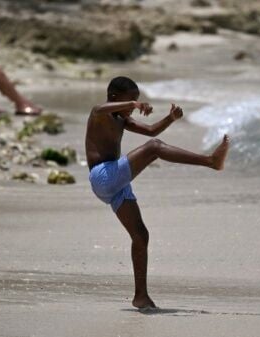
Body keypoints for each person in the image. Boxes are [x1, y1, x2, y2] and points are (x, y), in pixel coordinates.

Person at [85, 76, 229, 310]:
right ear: (114, 98)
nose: (135, 104)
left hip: (116, 183)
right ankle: (210, 161)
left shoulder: (122, 120)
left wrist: (170, 118)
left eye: (137, 99)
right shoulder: (99, 114)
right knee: (154, 149)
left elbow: (151, 130)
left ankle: (140, 296)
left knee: (141, 235)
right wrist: (133, 106)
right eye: (131, 99)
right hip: (103, 176)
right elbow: (101, 108)